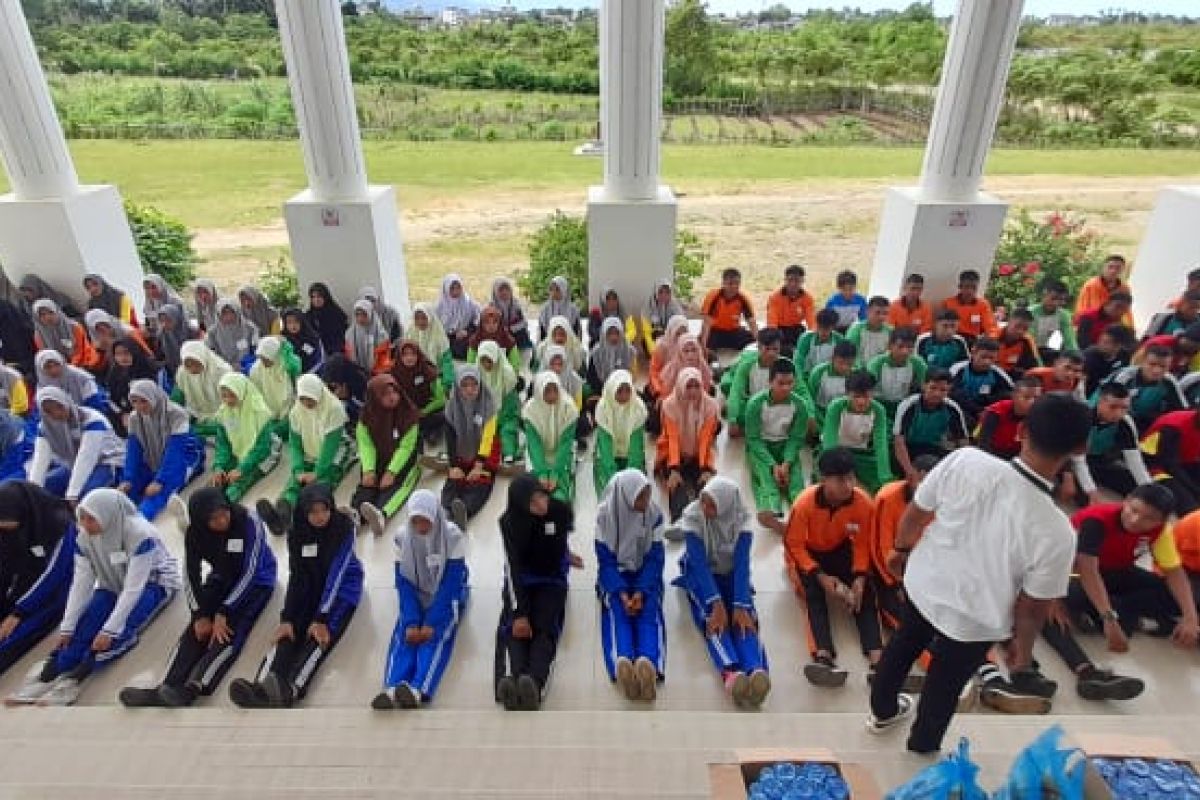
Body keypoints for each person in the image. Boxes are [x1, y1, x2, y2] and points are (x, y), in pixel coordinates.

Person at [867, 394, 1092, 756]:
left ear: (1021, 431)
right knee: (945, 681)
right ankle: (922, 747)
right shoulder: (1057, 531)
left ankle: (883, 712)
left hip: (926, 583)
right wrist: (1023, 646)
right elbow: (1034, 607)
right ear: (1080, 448)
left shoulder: (965, 460)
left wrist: (901, 551)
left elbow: (916, 512)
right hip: (977, 620)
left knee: (903, 644)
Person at [7, 490, 178, 707]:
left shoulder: (140, 534)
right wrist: (67, 627)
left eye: (91, 518)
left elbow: (134, 589)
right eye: (82, 518)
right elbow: (81, 584)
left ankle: (75, 678)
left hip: (154, 584)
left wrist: (110, 629)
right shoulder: (84, 538)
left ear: (107, 514)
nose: (85, 524)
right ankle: (50, 675)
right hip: (111, 584)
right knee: (84, 625)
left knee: (121, 629)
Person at [1035, 486, 1195, 705]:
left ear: (1162, 520)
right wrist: (1109, 619)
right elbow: (1087, 569)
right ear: (1127, 500)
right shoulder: (1097, 521)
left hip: (1115, 573)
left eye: (1149, 518)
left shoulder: (1160, 531)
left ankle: (1130, 620)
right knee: (1047, 612)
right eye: (1134, 510)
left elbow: (1175, 573)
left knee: (1182, 596)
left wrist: (1190, 618)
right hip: (1067, 575)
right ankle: (1087, 671)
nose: (1136, 520)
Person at [118, 488, 276, 708]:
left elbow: (251, 570)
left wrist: (224, 611)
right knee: (196, 629)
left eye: (224, 513)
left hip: (257, 581)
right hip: (221, 577)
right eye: (214, 519)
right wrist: (200, 614)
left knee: (227, 630)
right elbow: (190, 574)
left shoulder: (249, 521)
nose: (222, 521)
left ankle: (193, 688)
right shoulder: (195, 533)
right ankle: (166, 686)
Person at [230, 484, 362, 709]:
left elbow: (337, 573)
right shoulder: (297, 533)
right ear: (303, 512)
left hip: (341, 590)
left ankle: (290, 689)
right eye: (313, 512)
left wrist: (321, 618)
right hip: (311, 585)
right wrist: (287, 618)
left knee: (318, 636)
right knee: (289, 631)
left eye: (324, 510)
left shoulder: (344, 528)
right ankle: (261, 687)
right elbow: (297, 575)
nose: (320, 517)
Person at [785, 447, 882, 687]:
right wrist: (819, 576)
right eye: (840, 479)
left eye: (851, 477)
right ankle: (823, 656)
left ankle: (878, 659)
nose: (848, 485)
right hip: (808, 554)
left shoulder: (862, 503)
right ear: (823, 479)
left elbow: (861, 544)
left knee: (865, 594)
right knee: (813, 597)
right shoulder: (804, 504)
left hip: (839, 548)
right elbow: (794, 544)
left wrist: (859, 576)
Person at [675, 476, 770, 707]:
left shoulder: (742, 520)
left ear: (727, 504)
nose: (705, 509)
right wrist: (716, 604)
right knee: (714, 620)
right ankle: (731, 672)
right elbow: (698, 563)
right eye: (703, 502)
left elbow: (741, 564)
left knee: (746, 619)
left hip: (732, 575)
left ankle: (756, 671)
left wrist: (739, 604)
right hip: (702, 577)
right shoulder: (692, 516)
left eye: (712, 504)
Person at [373, 490, 468, 710]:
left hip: (446, 598)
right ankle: (391, 688)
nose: (421, 525)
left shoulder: (452, 536)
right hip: (417, 594)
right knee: (404, 637)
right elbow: (403, 583)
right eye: (415, 520)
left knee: (433, 638)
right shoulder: (401, 538)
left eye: (425, 519)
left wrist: (430, 623)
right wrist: (411, 622)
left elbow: (451, 585)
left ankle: (418, 689)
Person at [495, 474, 576, 711]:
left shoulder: (557, 511)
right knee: (513, 627)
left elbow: (559, 538)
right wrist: (519, 612)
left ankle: (534, 682)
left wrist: (566, 556)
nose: (541, 505)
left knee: (544, 627)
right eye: (533, 502)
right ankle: (511, 678)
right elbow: (513, 566)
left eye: (542, 497)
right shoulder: (509, 523)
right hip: (521, 580)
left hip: (551, 580)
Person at [594, 469, 666, 704]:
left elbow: (656, 557)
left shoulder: (654, 515)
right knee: (617, 611)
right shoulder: (605, 518)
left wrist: (641, 591)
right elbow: (605, 562)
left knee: (649, 612)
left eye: (647, 495)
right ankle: (623, 661)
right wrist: (623, 593)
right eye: (640, 497)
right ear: (625, 496)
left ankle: (648, 664)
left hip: (646, 574)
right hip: (616, 576)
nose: (646, 503)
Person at [258, 375, 354, 537]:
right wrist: (298, 470)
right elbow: (295, 444)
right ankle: (282, 515)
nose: (307, 403)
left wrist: (317, 472)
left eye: (310, 399)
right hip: (310, 452)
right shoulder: (296, 411)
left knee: (321, 484)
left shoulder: (334, 409)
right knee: (294, 484)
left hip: (337, 454)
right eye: (303, 399)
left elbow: (330, 447)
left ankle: (303, 513)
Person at [0, 482, 76, 676]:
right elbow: (7, 568)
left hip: (59, 590)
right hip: (28, 586)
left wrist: (18, 613)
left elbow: (53, 575)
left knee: (14, 636)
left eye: (7, 528)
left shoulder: (58, 525)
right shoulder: (12, 528)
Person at [870, 455, 939, 632]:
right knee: (902, 617)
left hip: (918, 569)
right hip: (887, 569)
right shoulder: (887, 497)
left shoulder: (940, 503)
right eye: (921, 480)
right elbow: (880, 549)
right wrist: (895, 584)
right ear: (910, 476)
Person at [120, 380, 205, 521]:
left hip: (185, 458)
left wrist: (160, 480)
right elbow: (133, 451)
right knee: (127, 490)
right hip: (154, 458)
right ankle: (116, 518)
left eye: (143, 401)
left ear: (153, 397)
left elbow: (176, 451)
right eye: (134, 401)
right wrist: (128, 479)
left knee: (159, 493)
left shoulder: (176, 413)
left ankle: (137, 522)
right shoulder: (135, 418)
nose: (139, 406)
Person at [352, 375, 422, 537]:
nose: (392, 397)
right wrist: (369, 469)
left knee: (395, 485)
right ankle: (355, 516)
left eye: (394, 392)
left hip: (403, 460)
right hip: (377, 457)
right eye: (385, 394)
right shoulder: (366, 417)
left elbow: (406, 447)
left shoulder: (409, 413)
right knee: (367, 483)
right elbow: (366, 445)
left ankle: (381, 514)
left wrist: (391, 472)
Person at [745, 359, 809, 535]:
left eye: (790, 383)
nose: (786, 388)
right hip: (761, 447)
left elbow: (796, 437)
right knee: (765, 478)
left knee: (795, 479)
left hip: (786, 444)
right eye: (781, 383)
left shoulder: (800, 405)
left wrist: (787, 463)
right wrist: (773, 465)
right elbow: (753, 439)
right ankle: (773, 514)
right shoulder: (755, 404)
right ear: (770, 382)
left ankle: (802, 514)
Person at [28, 387, 125, 503]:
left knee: (86, 496)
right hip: (72, 465)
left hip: (106, 462)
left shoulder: (91, 420)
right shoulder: (45, 427)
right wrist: (32, 492)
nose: (56, 413)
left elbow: (86, 458)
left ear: (66, 402)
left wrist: (72, 493)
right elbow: (40, 460)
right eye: (48, 411)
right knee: (43, 488)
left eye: (59, 407)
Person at [657, 367, 720, 525]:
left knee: (706, 484)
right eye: (688, 386)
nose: (693, 391)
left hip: (699, 454)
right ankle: (680, 520)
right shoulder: (670, 405)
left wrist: (705, 469)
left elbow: (706, 439)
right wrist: (674, 469)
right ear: (680, 386)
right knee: (676, 485)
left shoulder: (710, 406)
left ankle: (705, 519)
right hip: (671, 455)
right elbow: (672, 439)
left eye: (696, 386)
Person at [1071, 383, 1153, 505]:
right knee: (1086, 497)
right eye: (1113, 407)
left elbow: (1135, 461)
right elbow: (1078, 461)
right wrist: (1092, 491)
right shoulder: (1083, 418)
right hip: (1072, 461)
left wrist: (1150, 490)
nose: (1119, 414)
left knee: (1139, 488)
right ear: (1100, 402)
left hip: (1100, 460)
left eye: (1124, 408)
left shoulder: (1125, 422)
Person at [441, 366, 501, 525]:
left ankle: (465, 510)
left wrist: (479, 465)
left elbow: (488, 437)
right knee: (453, 480)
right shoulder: (451, 407)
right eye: (465, 385)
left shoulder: (488, 404)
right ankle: (446, 508)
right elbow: (450, 437)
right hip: (462, 453)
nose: (470, 390)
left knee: (480, 484)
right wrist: (453, 465)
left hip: (485, 454)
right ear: (458, 386)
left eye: (474, 385)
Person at [210, 373, 282, 503]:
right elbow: (223, 445)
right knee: (217, 480)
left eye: (232, 395)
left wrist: (241, 469)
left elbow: (261, 449)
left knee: (239, 483)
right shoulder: (224, 412)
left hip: (263, 455)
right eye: (224, 396)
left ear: (241, 392)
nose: (227, 401)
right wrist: (219, 466)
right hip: (238, 453)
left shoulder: (260, 413)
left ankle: (223, 507)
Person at [819, 371, 892, 494]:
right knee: (834, 482)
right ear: (847, 394)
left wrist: (885, 479)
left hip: (861, 453)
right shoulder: (836, 407)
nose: (861, 402)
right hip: (837, 451)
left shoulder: (879, 410)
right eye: (856, 396)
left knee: (878, 483)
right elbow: (829, 444)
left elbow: (881, 446)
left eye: (867, 396)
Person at [892, 370, 969, 478]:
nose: (937, 393)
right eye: (933, 388)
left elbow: (962, 441)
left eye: (943, 390)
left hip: (934, 447)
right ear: (924, 386)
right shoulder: (908, 405)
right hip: (908, 447)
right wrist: (909, 470)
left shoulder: (953, 408)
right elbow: (899, 441)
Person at [1102, 344, 1186, 431]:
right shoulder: (1125, 377)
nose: (1157, 370)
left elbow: (1182, 411)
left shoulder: (1169, 381)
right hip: (1114, 422)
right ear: (1142, 361)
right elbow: (1107, 407)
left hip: (1146, 426)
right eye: (1152, 364)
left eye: (1163, 366)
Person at [522, 372, 578, 505]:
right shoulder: (530, 411)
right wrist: (541, 474)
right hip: (538, 457)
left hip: (563, 455)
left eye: (555, 390)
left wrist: (555, 475)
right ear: (539, 391)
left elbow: (566, 443)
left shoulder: (569, 408)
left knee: (560, 495)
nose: (552, 395)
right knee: (534, 492)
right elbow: (534, 444)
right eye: (547, 391)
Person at [594, 369, 648, 494]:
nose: (624, 396)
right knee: (609, 490)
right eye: (619, 391)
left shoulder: (638, 409)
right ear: (612, 391)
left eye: (627, 391)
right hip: (608, 456)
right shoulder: (603, 408)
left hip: (631, 455)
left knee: (635, 489)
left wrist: (628, 479)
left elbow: (636, 447)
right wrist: (614, 477)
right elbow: (605, 446)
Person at [724, 327, 784, 436]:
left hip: (774, 405)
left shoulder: (786, 365)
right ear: (759, 347)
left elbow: (801, 391)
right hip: (753, 403)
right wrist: (732, 419)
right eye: (767, 349)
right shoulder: (747, 364)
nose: (771, 354)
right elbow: (736, 391)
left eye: (775, 349)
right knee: (728, 389)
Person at [1141, 408, 1200, 514]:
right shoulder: (1174, 427)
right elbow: (1170, 466)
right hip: (1155, 468)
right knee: (1190, 506)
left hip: (1182, 463)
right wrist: (1195, 489)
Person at [391, 340, 447, 450]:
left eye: (413, 354)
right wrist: (409, 411)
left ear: (418, 355)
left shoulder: (428, 371)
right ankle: (421, 432)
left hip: (425, 411)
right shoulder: (393, 373)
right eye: (405, 354)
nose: (409, 358)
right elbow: (392, 399)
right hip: (406, 413)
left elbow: (441, 399)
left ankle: (427, 432)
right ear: (399, 356)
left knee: (445, 415)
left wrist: (424, 411)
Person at [948, 337, 1014, 428]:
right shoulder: (958, 369)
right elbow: (953, 393)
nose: (987, 362)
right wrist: (977, 410)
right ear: (973, 353)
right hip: (963, 408)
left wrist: (988, 409)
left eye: (991, 358)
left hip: (987, 410)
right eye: (983, 357)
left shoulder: (999, 374)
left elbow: (1009, 395)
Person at [173, 340, 232, 439]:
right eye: (188, 365)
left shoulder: (222, 371)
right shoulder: (182, 373)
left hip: (225, 416)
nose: (192, 369)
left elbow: (233, 403)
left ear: (203, 358)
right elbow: (181, 398)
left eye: (196, 364)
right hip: (199, 416)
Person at [477, 340, 522, 467]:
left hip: (506, 413)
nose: (486, 364)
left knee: (507, 431)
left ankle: (509, 454)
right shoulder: (477, 373)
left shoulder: (507, 375)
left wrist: (499, 418)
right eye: (483, 360)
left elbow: (512, 405)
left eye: (489, 360)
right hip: (485, 413)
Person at [977, 377, 1043, 461]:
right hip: (992, 453)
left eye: (1036, 398)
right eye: (1026, 397)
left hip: (1019, 457)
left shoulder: (1040, 416)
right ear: (1014, 396)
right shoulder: (995, 412)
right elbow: (983, 443)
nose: (1032, 402)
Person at [867, 327, 927, 419]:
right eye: (900, 346)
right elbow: (867, 389)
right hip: (878, 405)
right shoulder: (876, 363)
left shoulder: (918, 363)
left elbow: (925, 387)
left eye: (910, 347)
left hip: (904, 406)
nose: (905, 351)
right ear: (890, 346)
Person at [248, 336, 299, 439]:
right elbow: (255, 395)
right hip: (266, 413)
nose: (263, 362)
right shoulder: (255, 370)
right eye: (261, 358)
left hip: (288, 413)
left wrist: (286, 415)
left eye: (266, 359)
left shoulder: (286, 368)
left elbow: (291, 394)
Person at [32, 299, 100, 372]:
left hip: (86, 363)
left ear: (57, 311)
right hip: (60, 368)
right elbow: (47, 356)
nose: (48, 317)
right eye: (42, 315)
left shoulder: (74, 327)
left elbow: (80, 350)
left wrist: (71, 368)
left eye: (51, 312)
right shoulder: (39, 335)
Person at [700, 268, 758, 353]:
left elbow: (751, 322)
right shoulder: (713, 296)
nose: (734, 287)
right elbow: (706, 323)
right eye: (730, 283)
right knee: (705, 346)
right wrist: (703, 345)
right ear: (723, 283)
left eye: (737, 283)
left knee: (754, 342)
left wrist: (758, 342)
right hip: (715, 331)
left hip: (734, 332)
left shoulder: (743, 298)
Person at [35, 349, 106, 413]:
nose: (54, 370)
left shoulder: (80, 376)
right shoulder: (42, 386)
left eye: (57, 364)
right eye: (48, 367)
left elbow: (95, 403)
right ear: (41, 370)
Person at [767, 264, 816, 353]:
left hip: (796, 329)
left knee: (807, 342)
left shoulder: (808, 299)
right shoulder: (774, 297)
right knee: (775, 345)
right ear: (785, 280)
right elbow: (772, 323)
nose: (793, 284)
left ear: (802, 281)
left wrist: (812, 338)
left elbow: (811, 323)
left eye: (797, 281)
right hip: (779, 329)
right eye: (790, 280)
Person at [85, 309, 151, 374]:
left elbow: (140, 342)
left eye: (104, 324)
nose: (103, 329)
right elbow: (95, 364)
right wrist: (100, 350)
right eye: (99, 327)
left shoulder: (123, 328)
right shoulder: (95, 339)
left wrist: (149, 354)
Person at [808, 341, 857, 428]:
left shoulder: (856, 374)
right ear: (832, 359)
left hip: (844, 418)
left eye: (849, 364)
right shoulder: (818, 372)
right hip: (820, 415)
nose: (844, 367)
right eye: (841, 363)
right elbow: (810, 401)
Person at [940, 270, 995, 344]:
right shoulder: (948, 303)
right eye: (966, 287)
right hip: (952, 339)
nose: (970, 291)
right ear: (960, 286)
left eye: (974, 287)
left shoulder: (983, 305)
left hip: (973, 341)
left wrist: (990, 341)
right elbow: (942, 327)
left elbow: (991, 328)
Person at [1028, 278, 1078, 360]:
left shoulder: (1063, 315)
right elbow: (1029, 342)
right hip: (1025, 350)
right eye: (1053, 298)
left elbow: (1070, 343)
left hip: (1043, 349)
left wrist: (1076, 359)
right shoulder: (1030, 312)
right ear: (1044, 295)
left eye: (1061, 300)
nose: (1056, 303)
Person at [410, 301, 455, 391]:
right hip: (417, 373)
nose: (420, 322)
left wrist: (446, 383)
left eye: (424, 318)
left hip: (437, 374)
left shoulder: (438, 334)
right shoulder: (411, 333)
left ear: (430, 317)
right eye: (417, 318)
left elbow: (447, 362)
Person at [587, 317, 637, 398]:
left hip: (624, 390)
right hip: (601, 390)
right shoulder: (596, 352)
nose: (614, 337)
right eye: (609, 333)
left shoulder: (630, 351)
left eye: (617, 333)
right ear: (603, 334)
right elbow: (591, 378)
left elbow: (633, 376)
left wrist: (620, 389)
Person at [1082, 324, 1135, 397]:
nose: (1100, 344)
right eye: (1101, 340)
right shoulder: (1088, 357)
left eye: (1106, 342)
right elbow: (1082, 386)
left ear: (1118, 346)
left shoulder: (1124, 356)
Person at [206, 298, 259, 371]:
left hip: (247, 366)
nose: (229, 316)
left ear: (237, 312)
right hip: (222, 367)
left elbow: (256, 349)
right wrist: (226, 365)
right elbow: (211, 354)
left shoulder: (250, 328)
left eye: (232, 312)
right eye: (224, 313)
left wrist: (245, 364)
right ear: (218, 314)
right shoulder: (212, 332)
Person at [1076, 254, 1132, 321]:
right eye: (1110, 267)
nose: (1113, 271)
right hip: (1093, 322)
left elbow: (1126, 312)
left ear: (1122, 270)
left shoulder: (1124, 289)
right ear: (1104, 267)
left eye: (1118, 268)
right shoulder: (1091, 285)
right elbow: (1082, 309)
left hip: (1114, 325)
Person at [438, 274, 480, 360]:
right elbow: (436, 327)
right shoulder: (439, 306)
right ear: (446, 289)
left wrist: (466, 331)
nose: (456, 292)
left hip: (464, 335)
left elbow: (478, 318)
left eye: (458, 288)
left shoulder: (467, 302)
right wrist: (451, 335)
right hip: (446, 337)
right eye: (452, 288)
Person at [320, 354, 369, 429]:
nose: (331, 394)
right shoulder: (345, 398)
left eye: (332, 388)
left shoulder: (369, 394)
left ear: (345, 383)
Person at [346, 299, 392, 375]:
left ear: (370, 314)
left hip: (378, 374)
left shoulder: (381, 335)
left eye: (364, 314)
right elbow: (349, 356)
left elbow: (383, 359)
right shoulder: (349, 334)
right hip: (359, 374)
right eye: (357, 315)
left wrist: (374, 373)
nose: (360, 318)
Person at [638, 280, 685, 355]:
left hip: (671, 335)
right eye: (661, 292)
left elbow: (681, 322)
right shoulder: (648, 305)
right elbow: (646, 327)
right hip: (655, 335)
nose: (664, 295)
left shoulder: (674, 304)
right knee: (648, 343)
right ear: (656, 292)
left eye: (667, 292)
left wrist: (670, 332)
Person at [468, 306, 520, 372]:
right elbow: (470, 365)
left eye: (495, 322)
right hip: (481, 376)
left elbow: (515, 366)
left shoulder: (508, 339)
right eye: (487, 322)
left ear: (500, 323)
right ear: (482, 324)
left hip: (502, 376)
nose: (491, 326)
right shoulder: (475, 339)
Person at [794, 308, 845, 376]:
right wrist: (801, 379)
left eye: (826, 329)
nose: (822, 332)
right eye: (819, 327)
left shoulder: (839, 339)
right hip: (808, 376)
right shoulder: (806, 338)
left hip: (829, 376)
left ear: (833, 327)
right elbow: (798, 362)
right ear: (816, 325)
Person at [305, 282, 349, 360]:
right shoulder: (308, 316)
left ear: (325, 297)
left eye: (319, 296)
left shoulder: (336, 313)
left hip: (335, 354)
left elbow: (342, 337)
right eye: (313, 297)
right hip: (315, 355)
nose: (316, 300)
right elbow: (305, 338)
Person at [995, 308, 1042, 379]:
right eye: (1017, 326)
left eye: (1025, 329)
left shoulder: (1027, 341)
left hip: (1011, 379)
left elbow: (1033, 368)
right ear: (1009, 321)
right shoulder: (992, 336)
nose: (1020, 331)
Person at [847, 296, 893, 367]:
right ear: (868, 311)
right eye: (877, 313)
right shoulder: (856, 330)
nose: (882, 317)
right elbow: (850, 354)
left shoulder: (890, 331)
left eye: (885, 313)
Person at [491, 277, 533, 351]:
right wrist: (502, 329)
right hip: (498, 333)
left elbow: (523, 322)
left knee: (522, 333)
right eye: (501, 290)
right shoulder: (491, 306)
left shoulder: (515, 304)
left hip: (513, 331)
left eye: (507, 289)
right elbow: (487, 324)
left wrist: (511, 329)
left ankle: (523, 354)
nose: (504, 292)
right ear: (495, 291)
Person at [538, 275, 583, 341]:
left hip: (569, 344)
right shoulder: (545, 309)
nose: (553, 292)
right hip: (549, 345)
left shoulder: (573, 310)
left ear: (564, 290)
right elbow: (542, 333)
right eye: (551, 289)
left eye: (557, 289)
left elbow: (576, 332)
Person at [154, 303, 193, 380]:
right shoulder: (162, 334)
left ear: (176, 319)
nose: (164, 324)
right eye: (161, 321)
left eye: (168, 320)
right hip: (174, 374)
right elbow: (160, 356)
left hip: (193, 371)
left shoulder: (190, 332)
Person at [281, 308, 324, 374]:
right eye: (289, 322)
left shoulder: (312, 338)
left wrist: (306, 375)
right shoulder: (282, 340)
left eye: (296, 321)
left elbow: (319, 361)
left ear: (302, 322)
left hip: (311, 376)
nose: (293, 325)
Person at [142, 274, 184, 340]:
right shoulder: (150, 301)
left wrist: (154, 334)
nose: (150, 291)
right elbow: (149, 319)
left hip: (178, 336)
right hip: (160, 335)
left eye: (153, 287)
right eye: (147, 288)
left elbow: (177, 325)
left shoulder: (174, 301)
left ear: (160, 286)